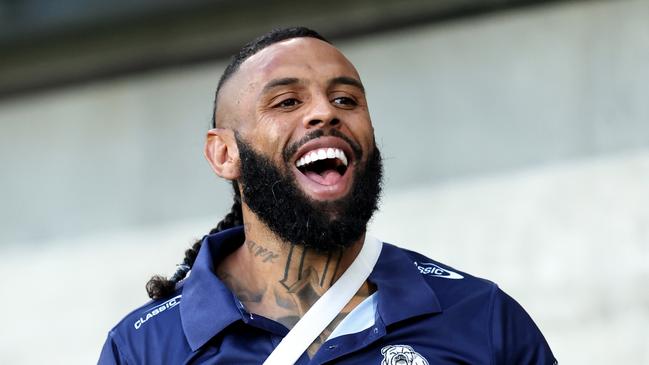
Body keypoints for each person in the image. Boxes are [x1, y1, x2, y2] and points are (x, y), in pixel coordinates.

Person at [99, 26, 557, 364]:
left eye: (345, 100)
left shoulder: (480, 316)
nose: (325, 113)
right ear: (223, 154)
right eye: (287, 102)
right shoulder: (143, 348)